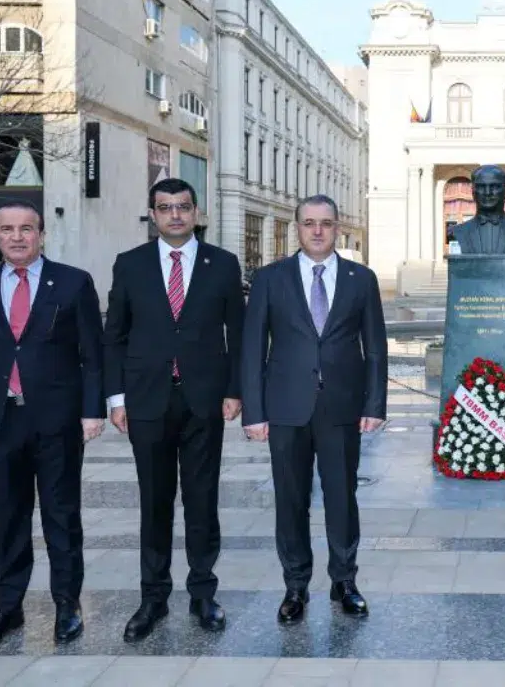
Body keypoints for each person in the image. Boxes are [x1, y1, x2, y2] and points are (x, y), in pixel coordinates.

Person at [0, 203, 105, 655]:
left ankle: (67, 603)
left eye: (26, 229)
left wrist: (92, 410)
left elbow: (93, 355)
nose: (18, 237)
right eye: (8, 230)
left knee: (61, 514)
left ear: (41, 234)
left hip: (56, 420)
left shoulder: (73, 282)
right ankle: (8, 608)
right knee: (9, 517)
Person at [102, 178, 245, 642]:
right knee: (154, 502)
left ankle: (203, 593)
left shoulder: (222, 264)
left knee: (202, 501)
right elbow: (115, 337)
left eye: (183, 207)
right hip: (147, 402)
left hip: (203, 400)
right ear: (153, 214)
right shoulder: (130, 265)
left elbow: (237, 336)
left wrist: (235, 389)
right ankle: (153, 598)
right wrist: (116, 398)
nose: (175, 216)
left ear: (196, 211)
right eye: (165, 208)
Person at [241, 194, 387, 624]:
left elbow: (375, 346)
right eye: (309, 223)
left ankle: (344, 582)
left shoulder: (362, 279)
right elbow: (253, 349)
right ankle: (296, 587)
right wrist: (254, 410)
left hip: (342, 407)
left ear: (337, 227)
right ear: (297, 227)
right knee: (291, 500)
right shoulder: (270, 279)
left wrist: (374, 403)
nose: (317, 231)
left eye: (325, 222)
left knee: (343, 498)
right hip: (286, 407)